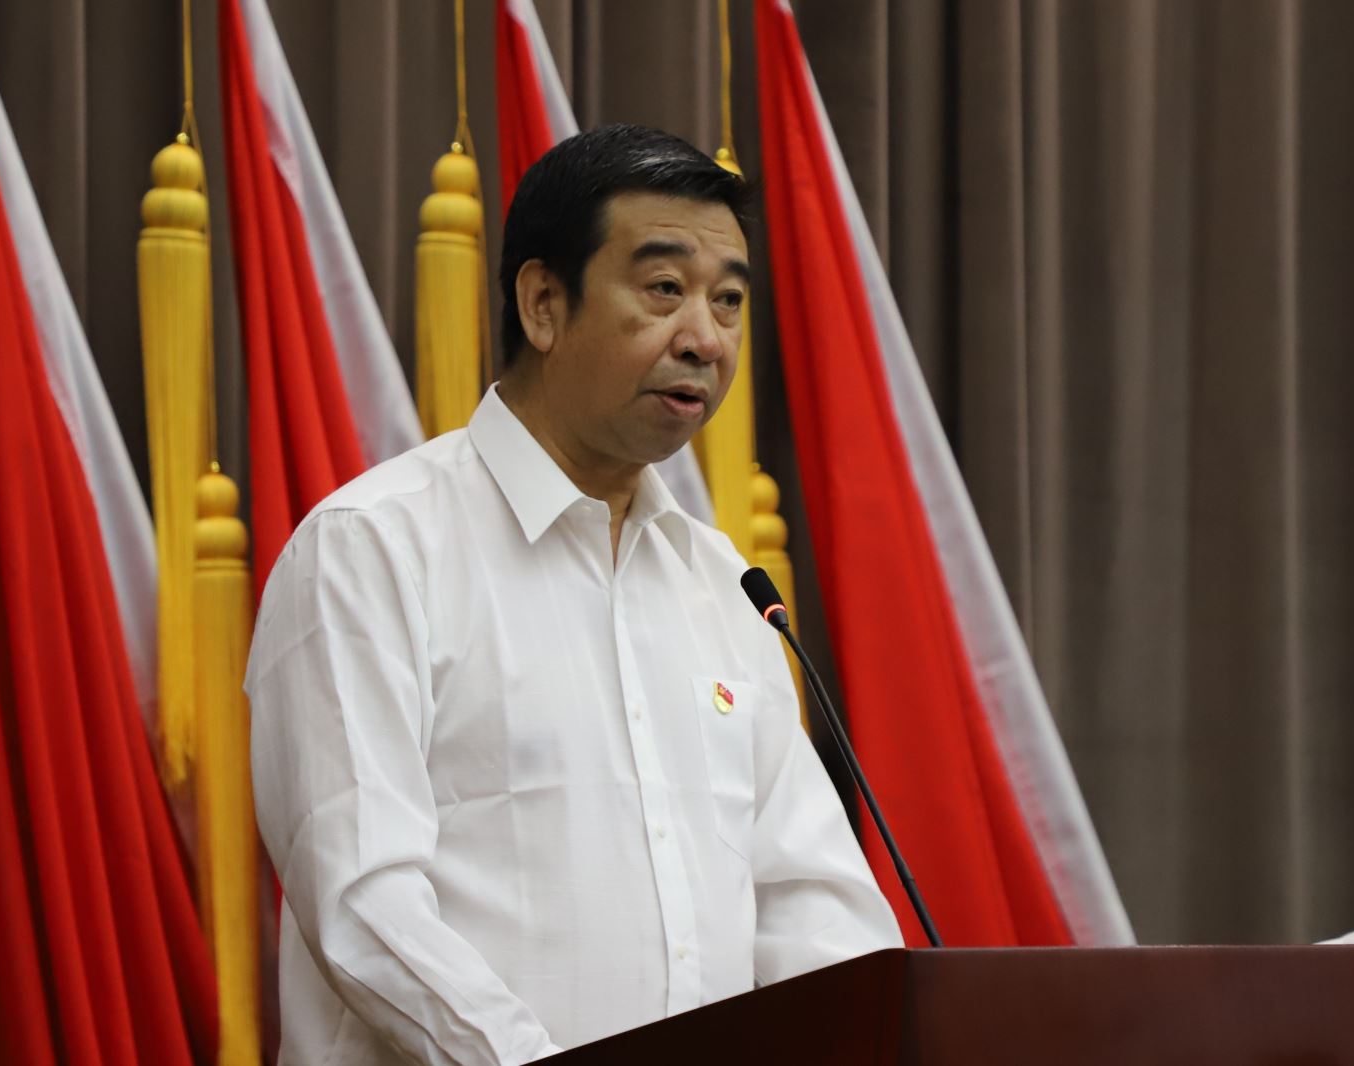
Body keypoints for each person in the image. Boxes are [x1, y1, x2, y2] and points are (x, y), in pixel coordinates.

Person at [246, 123, 902, 1066]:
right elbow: (365, 905)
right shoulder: (372, 549)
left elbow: (813, 912)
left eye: (728, 301)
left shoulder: (725, 587)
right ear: (544, 304)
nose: (705, 339)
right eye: (665, 289)